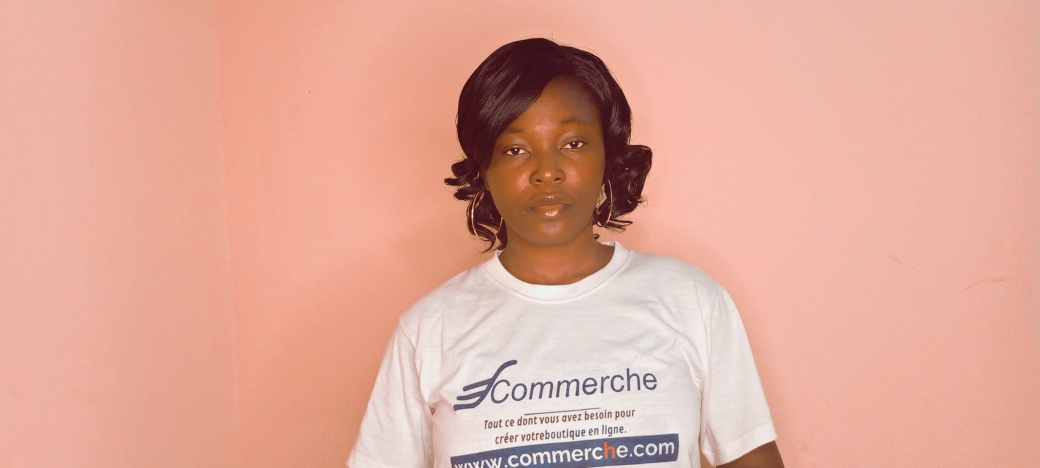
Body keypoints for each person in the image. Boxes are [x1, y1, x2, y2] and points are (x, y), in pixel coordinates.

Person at [347, 38, 784, 468]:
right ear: (484, 171)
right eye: (516, 149)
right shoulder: (429, 329)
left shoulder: (690, 300)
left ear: (606, 156)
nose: (547, 172)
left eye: (573, 143)